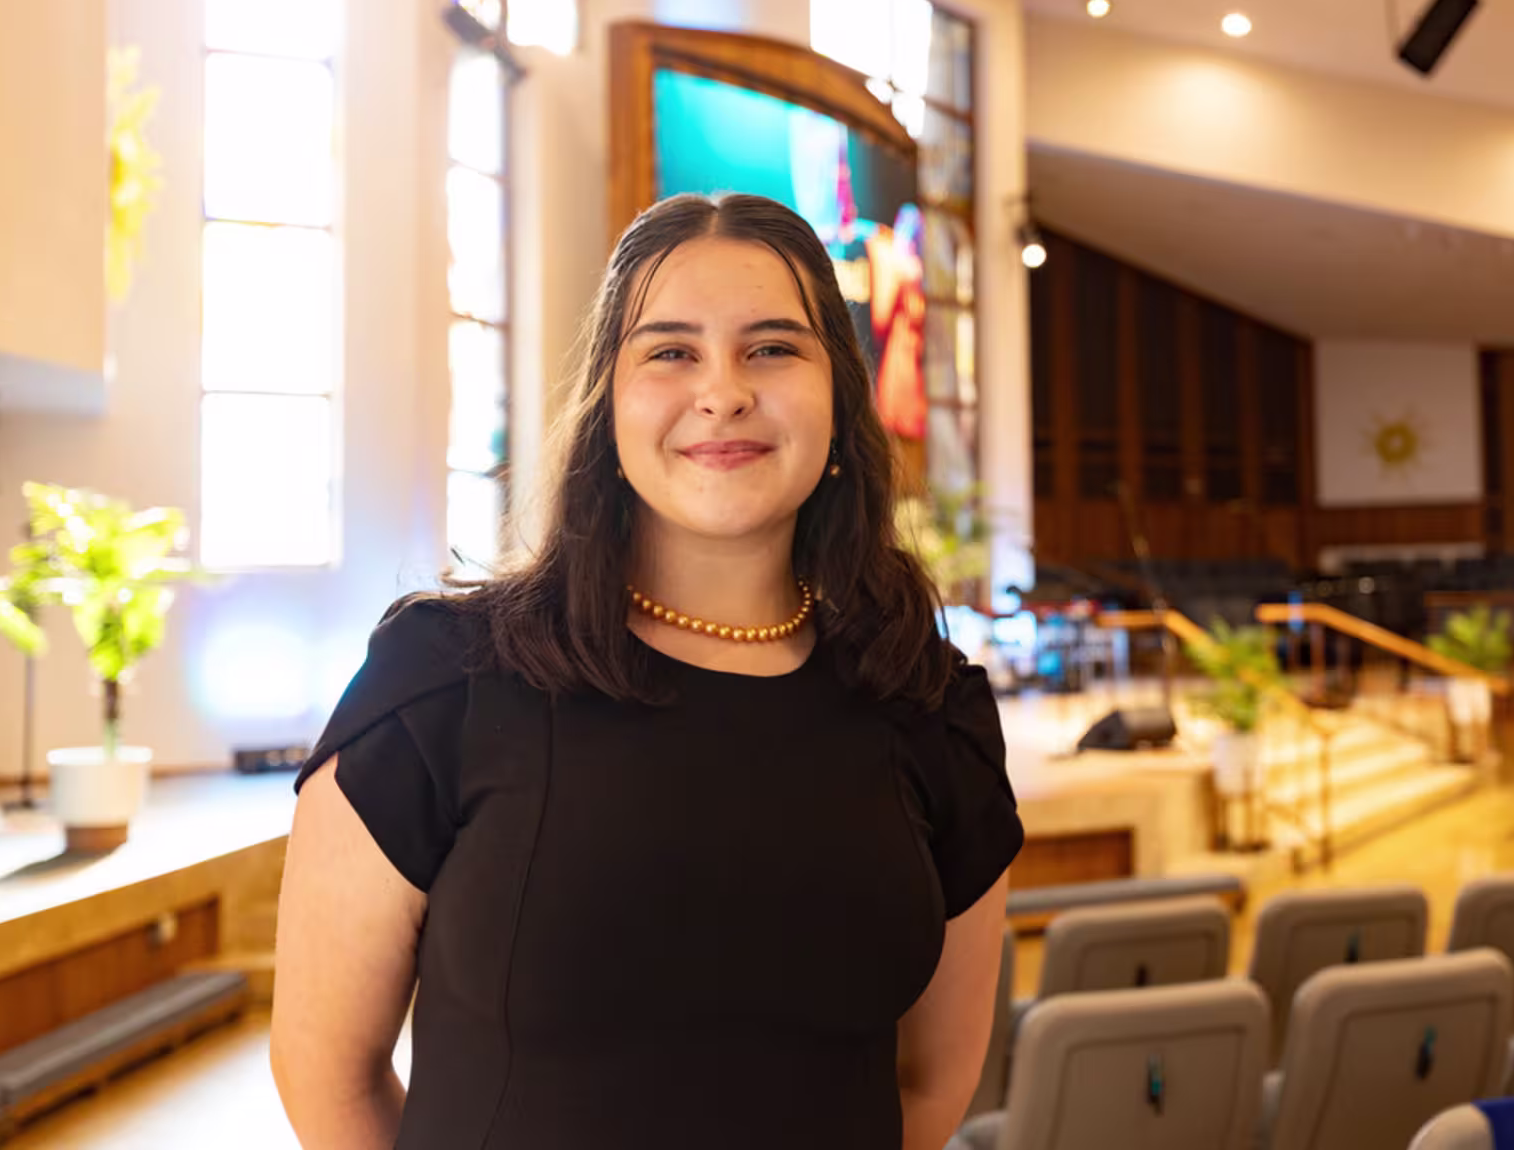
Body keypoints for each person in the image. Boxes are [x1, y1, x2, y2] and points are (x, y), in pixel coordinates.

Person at [270, 192, 1025, 1150]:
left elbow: (926, 1087)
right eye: (670, 351)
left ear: (838, 393)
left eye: (773, 348)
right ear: (607, 406)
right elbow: (325, 1076)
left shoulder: (930, 706)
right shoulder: (443, 682)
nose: (722, 391)